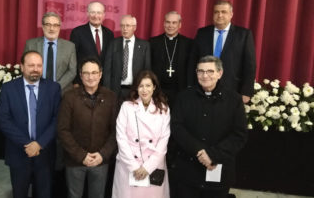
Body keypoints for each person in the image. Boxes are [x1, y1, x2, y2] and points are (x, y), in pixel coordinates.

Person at [171, 56, 248, 198]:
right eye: (200, 71)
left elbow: (239, 135)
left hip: (219, 168)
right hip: (188, 170)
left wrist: (213, 155)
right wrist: (199, 151)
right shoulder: (184, 97)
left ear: (220, 73)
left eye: (210, 71)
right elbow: (176, 128)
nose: (205, 75)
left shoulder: (234, 100)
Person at [0, 51, 61, 198]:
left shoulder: (53, 88)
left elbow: (57, 119)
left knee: (44, 193)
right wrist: (28, 144)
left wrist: (39, 144)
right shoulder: (8, 88)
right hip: (18, 152)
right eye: (31, 65)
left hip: (44, 153)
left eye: (39, 65)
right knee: (19, 193)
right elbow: (4, 121)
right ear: (22, 67)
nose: (35, 69)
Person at [57, 57, 118, 198]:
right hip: (75, 160)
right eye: (86, 73)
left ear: (101, 74)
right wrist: (81, 155)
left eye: (94, 72)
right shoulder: (69, 97)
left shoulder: (111, 97)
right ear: (80, 75)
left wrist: (103, 154)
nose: (91, 77)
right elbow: (63, 130)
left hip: (100, 161)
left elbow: (116, 131)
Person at [112, 70, 170, 198]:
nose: (144, 90)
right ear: (136, 88)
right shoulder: (126, 107)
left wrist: (147, 168)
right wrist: (134, 166)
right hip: (129, 166)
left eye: (148, 85)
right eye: (141, 86)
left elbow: (163, 141)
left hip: (153, 167)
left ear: (154, 87)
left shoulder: (164, 109)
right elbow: (121, 138)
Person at [188, 0, 256, 103]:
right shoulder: (202, 33)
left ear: (231, 14)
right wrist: (190, 86)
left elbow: (250, 65)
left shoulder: (243, 35)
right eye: (216, 12)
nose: (219, 15)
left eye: (224, 12)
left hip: (232, 89)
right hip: (203, 88)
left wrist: (246, 92)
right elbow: (192, 61)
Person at [24, 12, 76, 93]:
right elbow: (26, 68)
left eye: (55, 25)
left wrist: (56, 87)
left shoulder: (70, 46)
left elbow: (72, 71)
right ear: (43, 26)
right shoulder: (31, 45)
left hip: (62, 92)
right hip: (36, 90)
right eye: (48, 24)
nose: (52, 28)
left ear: (59, 27)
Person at [103, 15, 151, 102]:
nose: (124, 28)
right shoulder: (113, 44)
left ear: (134, 27)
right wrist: (107, 90)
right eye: (122, 25)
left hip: (136, 91)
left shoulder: (144, 45)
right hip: (115, 91)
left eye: (128, 25)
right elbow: (107, 70)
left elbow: (146, 70)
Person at [149, 11, 192, 106]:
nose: (170, 25)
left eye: (174, 23)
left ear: (180, 25)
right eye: (168, 22)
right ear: (164, 23)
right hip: (158, 91)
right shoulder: (153, 42)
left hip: (180, 91)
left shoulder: (188, 44)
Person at [70, 1, 114, 86]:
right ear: (87, 14)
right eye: (92, 12)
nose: (96, 16)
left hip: (104, 83)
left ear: (104, 15)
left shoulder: (109, 34)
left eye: (99, 13)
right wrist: (76, 82)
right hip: (83, 82)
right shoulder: (77, 32)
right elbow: (72, 59)